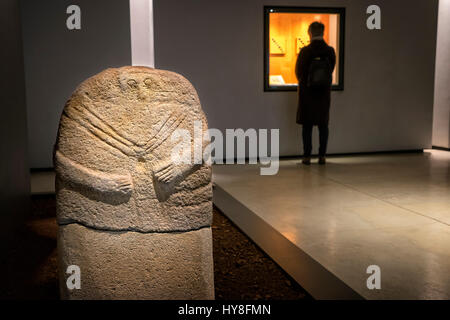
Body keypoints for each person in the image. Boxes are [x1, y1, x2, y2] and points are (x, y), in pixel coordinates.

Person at [295, 21, 336, 165]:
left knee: (307, 126)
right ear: (323, 33)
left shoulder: (305, 51)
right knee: (323, 126)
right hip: (323, 94)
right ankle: (322, 156)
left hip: (307, 94)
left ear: (309, 32)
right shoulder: (330, 51)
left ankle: (307, 156)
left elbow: (299, 73)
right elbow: (331, 70)